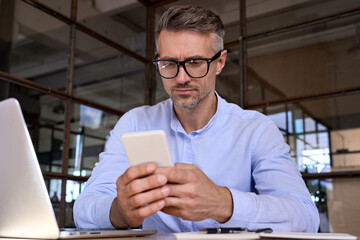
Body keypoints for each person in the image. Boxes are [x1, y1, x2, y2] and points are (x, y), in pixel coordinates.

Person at [73, 5, 320, 233]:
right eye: (169, 63)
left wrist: (224, 203)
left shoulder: (256, 130)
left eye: (195, 62)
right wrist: (119, 212)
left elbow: (305, 217)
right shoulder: (134, 123)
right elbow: (83, 210)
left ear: (220, 62)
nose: (181, 78)